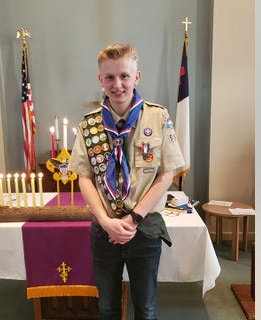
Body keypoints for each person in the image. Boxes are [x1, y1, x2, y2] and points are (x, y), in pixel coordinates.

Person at [68, 43, 185, 320]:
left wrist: (132, 219)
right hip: (104, 229)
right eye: (110, 77)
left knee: (146, 309)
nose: (117, 84)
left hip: (143, 229)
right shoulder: (90, 124)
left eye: (124, 76)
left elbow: (166, 174)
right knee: (107, 307)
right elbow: (84, 177)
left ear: (137, 77)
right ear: (101, 80)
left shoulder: (158, 117)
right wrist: (107, 222)